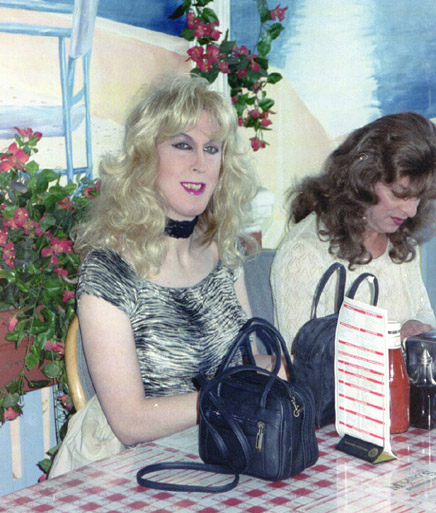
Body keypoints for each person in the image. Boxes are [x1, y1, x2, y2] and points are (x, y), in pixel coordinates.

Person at [50, 74, 279, 476]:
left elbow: (251, 360)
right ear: (145, 157)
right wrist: (226, 397)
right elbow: (130, 422)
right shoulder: (109, 269)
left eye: (212, 148)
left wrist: (285, 366)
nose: (200, 164)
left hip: (225, 448)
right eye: (182, 145)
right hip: (133, 470)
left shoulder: (224, 252)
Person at [271, 112, 436, 352]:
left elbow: (423, 312)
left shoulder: (400, 239)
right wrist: (389, 343)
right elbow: (300, 360)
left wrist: (415, 326)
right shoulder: (303, 254)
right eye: (399, 194)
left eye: (419, 197)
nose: (411, 211)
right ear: (363, 180)